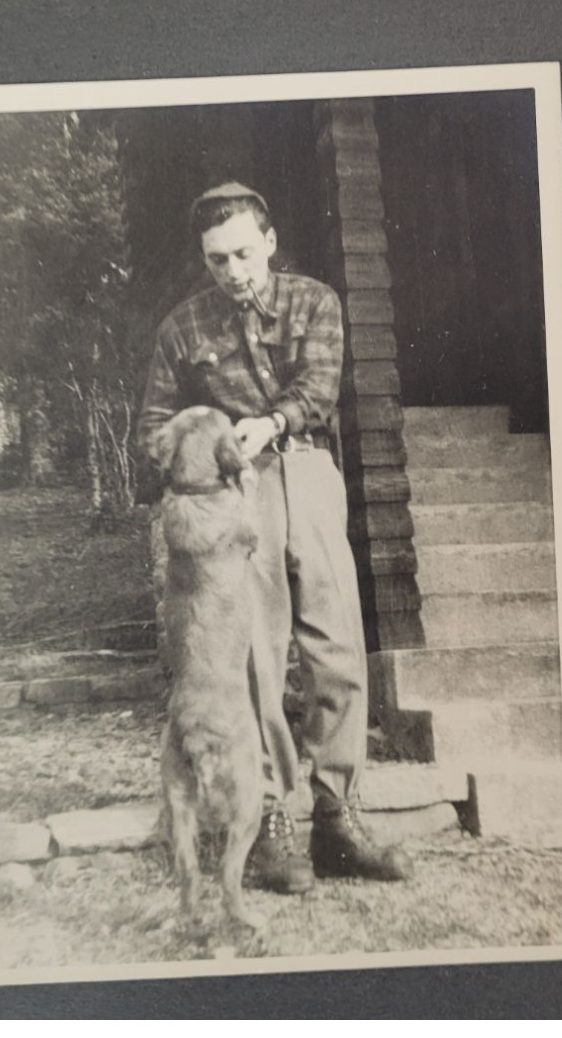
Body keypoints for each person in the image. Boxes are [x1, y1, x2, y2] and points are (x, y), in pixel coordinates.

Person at [138, 182, 412, 894]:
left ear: (270, 240)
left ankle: (338, 816)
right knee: (255, 658)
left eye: (242, 252)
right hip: (232, 500)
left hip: (306, 469)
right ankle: (267, 820)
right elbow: (152, 432)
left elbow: (319, 388)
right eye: (216, 259)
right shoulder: (180, 329)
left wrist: (275, 422)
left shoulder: (315, 301)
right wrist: (210, 445)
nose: (232, 270)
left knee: (336, 647)